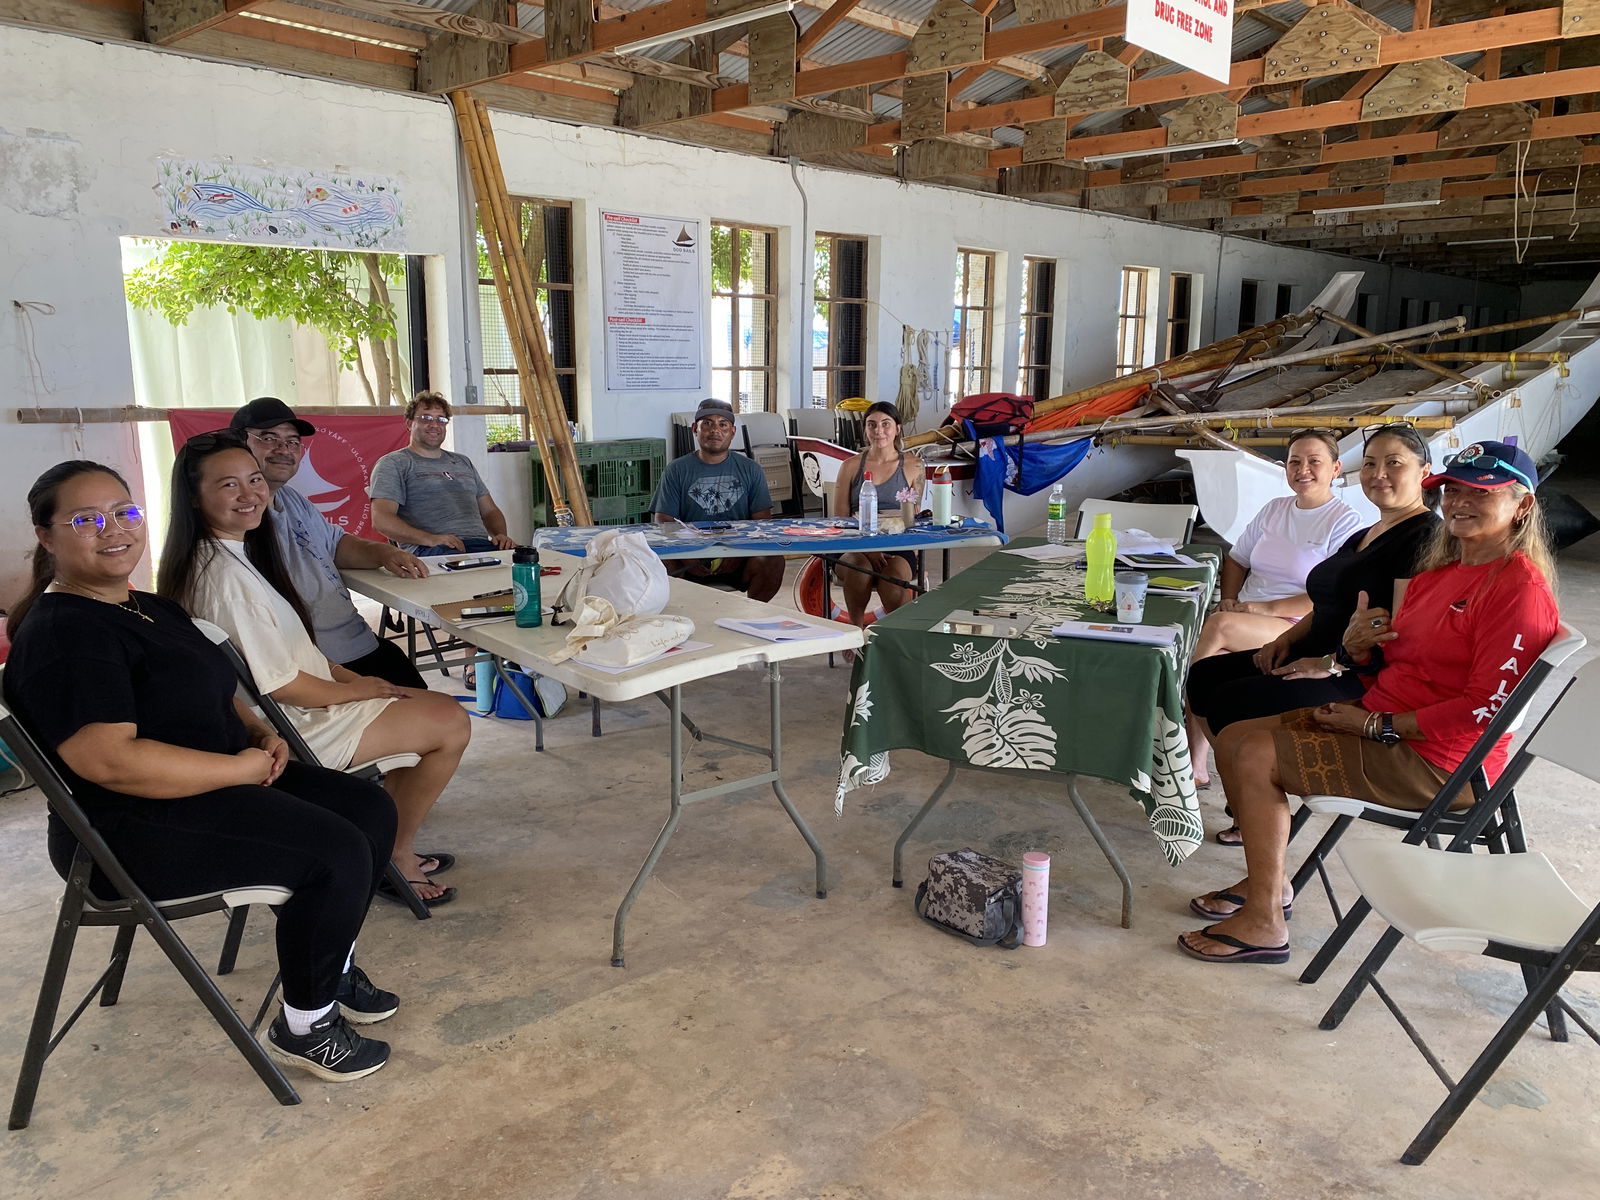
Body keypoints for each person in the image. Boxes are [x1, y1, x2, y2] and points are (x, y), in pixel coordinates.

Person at [3, 461, 400, 1080]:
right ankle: (306, 1024)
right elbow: (111, 762)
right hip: (132, 827)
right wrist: (238, 771)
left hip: (212, 782)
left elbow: (212, 687)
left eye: (124, 511)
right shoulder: (65, 634)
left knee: (368, 809)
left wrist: (259, 730)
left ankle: (332, 967)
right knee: (335, 851)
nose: (114, 529)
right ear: (47, 536)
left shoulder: (147, 607)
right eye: (86, 519)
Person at [1178, 440, 1558, 965]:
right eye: (1453, 490)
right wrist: (1357, 649)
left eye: (1481, 492)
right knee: (1239, 731)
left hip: (1440, 761)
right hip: (1382, 718)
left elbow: (1485, 710)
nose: (1460, 502)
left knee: (1253, 752)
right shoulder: (1442, 572)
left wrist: (1376, 723)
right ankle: (1268, 884)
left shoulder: (1517, 590)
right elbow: (1397, 650)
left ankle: (1265, 921)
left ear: (1522, 505)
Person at [159, 432, 472, 907]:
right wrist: (357, 691)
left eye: (254, 480)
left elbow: (296, 651)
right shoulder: (224, 577)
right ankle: (395, 853)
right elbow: (282, 684)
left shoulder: (233, 552)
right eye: (228, 485)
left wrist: (352, 680)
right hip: (291, 730)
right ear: (194, 497)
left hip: (303, 706)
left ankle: (385, 840)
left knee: (422, 699)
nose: (250, 494)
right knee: (451, 720)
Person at [1186, 424, 1440, 842]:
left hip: (1350, 675)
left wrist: (1328, 663)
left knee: (1233, 702)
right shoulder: (1368, 534)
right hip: (1311, 648)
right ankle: (1245, 802)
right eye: (1371, 464)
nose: (1379, 474)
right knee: (1203, 677)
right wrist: (1284, 640)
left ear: (1424, 472)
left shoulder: (1422, 537)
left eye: (1394, 463)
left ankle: (1254, 812)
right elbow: (1326, 604)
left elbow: (1397, 633)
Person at [1184, 431, 1363, 787]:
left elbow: (1330, 595)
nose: (1303, 469)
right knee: (1212, 648)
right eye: (1295, 461)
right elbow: (1236, 559)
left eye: (1315, 462)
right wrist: (1230, 599)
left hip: (1295, 624)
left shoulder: (1345, 522)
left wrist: (1261, 609)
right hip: (1245, 617)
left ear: (1335, 468)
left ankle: (1188, 742)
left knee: (1215, 632)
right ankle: (1206, 759)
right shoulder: (1275, 509)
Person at [230, 396, 428, 689]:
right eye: (269, 438)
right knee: (441, 719)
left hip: (356, 641)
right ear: (239, 443)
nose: (284, 449)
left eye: (293, 441)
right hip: (315, 663)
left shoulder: (292, 499)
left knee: (418, 689)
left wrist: (384, 552)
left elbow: (337, 545)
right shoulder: (239, 519)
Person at [652, 398, 783, 602]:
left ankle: (755, 615)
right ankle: (680, 615)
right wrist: (687, 553)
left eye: (723, 424)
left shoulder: (751, 469)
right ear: (695, 429)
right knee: (657, 561)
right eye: (708, 424)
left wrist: (736, 551)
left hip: (739, 559)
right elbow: (663, 522)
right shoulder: (676, 470)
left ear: (732, 431)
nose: (715, 430)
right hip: (688, 560)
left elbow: (762, 523)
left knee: (772, 559)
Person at [369, 391, 517, 556]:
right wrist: (430, 539)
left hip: (481, 547)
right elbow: (381, 520)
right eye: (425, 418)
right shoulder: (394, 463)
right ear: (409, 423)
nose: (434, 425)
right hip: (431, 550)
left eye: (441, 419)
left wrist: (500, 535)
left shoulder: (463, 462)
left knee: (531, 565)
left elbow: (490, 511)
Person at [829, 401, 928, 627]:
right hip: (854, 543)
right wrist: (868, 548)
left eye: (886, 424)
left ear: (897, 428)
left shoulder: (914, 466)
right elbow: (841, 520)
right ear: (865, 429)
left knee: (892, 579)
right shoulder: (850, 466)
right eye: (872, 425)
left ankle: (897, 635)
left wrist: (905, 549)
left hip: (897, 544)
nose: (879, 431)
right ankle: (856, 630)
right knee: (860, 569)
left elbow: (912, 518)